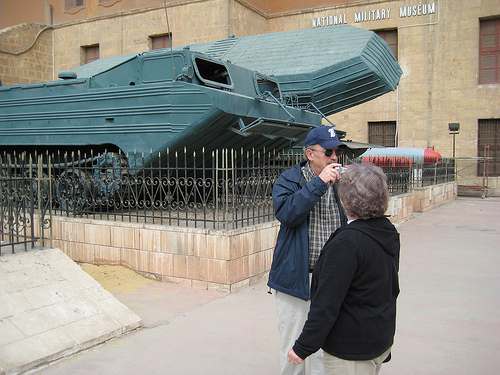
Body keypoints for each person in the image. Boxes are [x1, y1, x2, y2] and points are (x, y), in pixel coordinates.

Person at [286, 163, 400, 375]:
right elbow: (390, 289)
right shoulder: (385, 230)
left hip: (351, 349)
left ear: (346, 198)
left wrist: (302, 348)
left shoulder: (347, 244)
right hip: (377, 340)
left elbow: (326, 303)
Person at [268, 125, 347, 375]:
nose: (335, 157)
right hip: (297, 276)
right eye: (329, 152)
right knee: (293, 345)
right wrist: (319, 184)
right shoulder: (289, 180)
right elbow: (288, 214)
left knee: (328, 344)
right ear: (310, 154)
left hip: (333, 277)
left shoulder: (342, 181)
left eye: (337, 152)